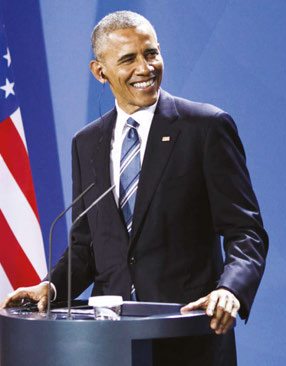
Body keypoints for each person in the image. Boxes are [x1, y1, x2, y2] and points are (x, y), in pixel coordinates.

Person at [0, 10, 268, 365]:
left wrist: (229, 289)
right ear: (100, 72)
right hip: (108, 344)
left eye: (151, 53)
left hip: (187, 337)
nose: (145, 68)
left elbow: (246, 231)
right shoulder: (87, 143)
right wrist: (50, 287)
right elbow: (86, 246)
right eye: (128, 59)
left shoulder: (205, 128)